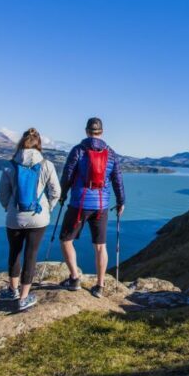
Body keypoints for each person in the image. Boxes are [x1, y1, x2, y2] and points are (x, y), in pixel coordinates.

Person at [59, 117, 125, 298]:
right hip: (101, 206)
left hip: (79, 204)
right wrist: (121, 202)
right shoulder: (111, 153)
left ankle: (74, 279)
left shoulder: (78, 151)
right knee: (100, 246)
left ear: (86, 131)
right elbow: (118, 180)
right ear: (101, 132)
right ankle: (100, 285)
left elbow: (67, 175)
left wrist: (62, 195)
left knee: (66, 239)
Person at [0, 128, 60, 311]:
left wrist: (8, 208)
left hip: (14, 217)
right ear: (39, 144)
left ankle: (12, 290)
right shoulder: (47, 165)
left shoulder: (10, 165)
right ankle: (24, 298)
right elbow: (56, 191)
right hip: (38, 218)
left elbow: (2, 193)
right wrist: (48, 208)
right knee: (31, 255)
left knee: (14, 252)